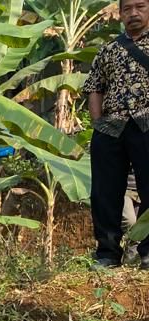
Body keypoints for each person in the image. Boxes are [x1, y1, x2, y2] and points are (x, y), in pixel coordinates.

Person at [84, 0, 149, 269]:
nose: (133, 13)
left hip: (147, 123)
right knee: (105, 192)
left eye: (141, 7)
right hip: (112, 126)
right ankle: (108, 253)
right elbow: (94, 86)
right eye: (127, 8)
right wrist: (98, 123)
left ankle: (148, 252)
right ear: (120, 14)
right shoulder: (108, 49)